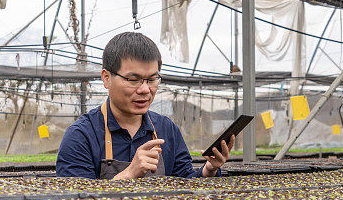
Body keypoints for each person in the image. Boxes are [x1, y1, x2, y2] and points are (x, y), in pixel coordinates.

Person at [56, 32, 234, 179]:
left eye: (152, 79)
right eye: (133, 80)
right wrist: (129, 174)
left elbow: (184, 182)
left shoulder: (167, 130)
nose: (144, 89)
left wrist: (208, 170)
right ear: (106, 78)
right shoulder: (82, 136)